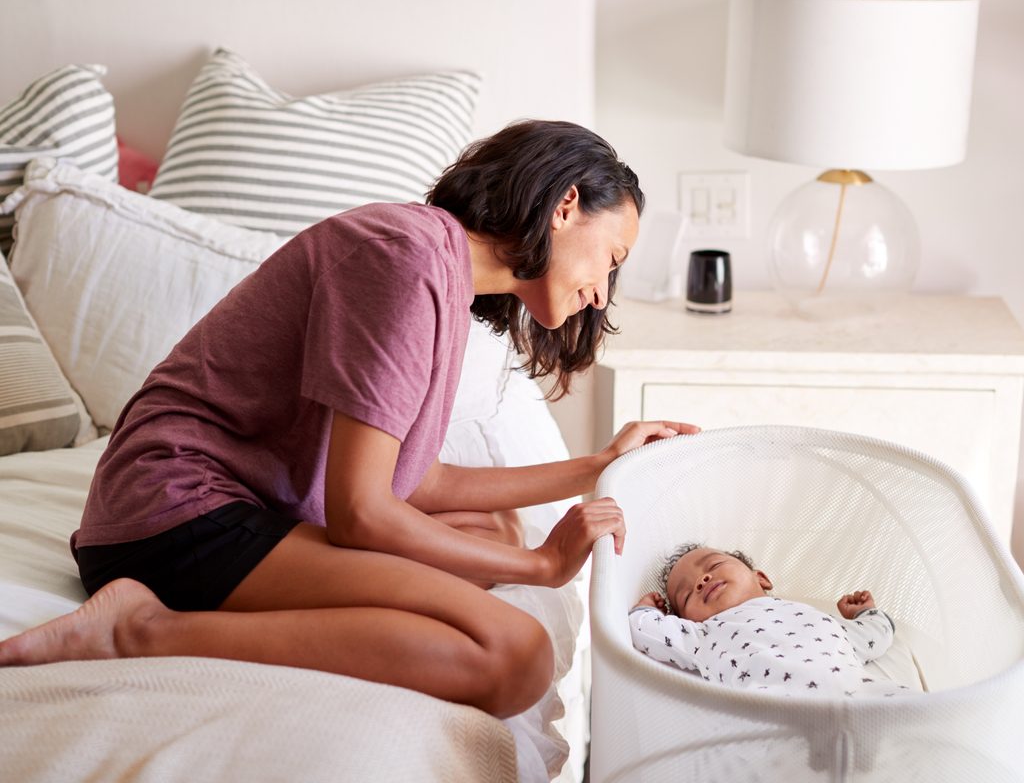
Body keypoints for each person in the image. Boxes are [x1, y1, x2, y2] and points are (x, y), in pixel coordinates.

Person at [0, 120, 699, 719]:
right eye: (612, 258)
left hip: (238, 508)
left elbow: (412, 483)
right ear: (566, 205)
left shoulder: (441, 276)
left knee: (491, 528)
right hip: (172, 515)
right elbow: (361, 514)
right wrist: (541, 566)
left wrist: (597, 465)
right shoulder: (403, 257)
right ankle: (141, 630)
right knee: (517, 654)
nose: (602, 288)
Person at [630, 543, 913, 698]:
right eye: (686, 593)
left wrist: (865, 613)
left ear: (761, 578)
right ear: (686, 620)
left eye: (714, 566)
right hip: (771, 710)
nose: (702, 581)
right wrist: (647, 612)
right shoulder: (703, 635)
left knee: (912, 711)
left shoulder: (813, 615)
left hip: (853, 694)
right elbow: (643, 631)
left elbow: (875, 635)